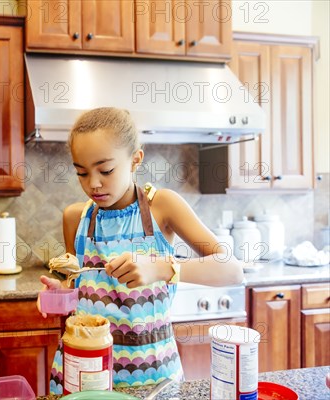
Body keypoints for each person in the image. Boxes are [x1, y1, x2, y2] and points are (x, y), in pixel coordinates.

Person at [38, 107, 244, 393]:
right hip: (84, 373)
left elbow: (232, 269)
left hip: (153, 374)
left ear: (135, 159)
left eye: (106, 170)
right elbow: (85, 291)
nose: (93, 184)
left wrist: (162, 268)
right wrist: (60, 294)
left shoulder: (163, 206)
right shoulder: (76, 218)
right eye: (81, 173)